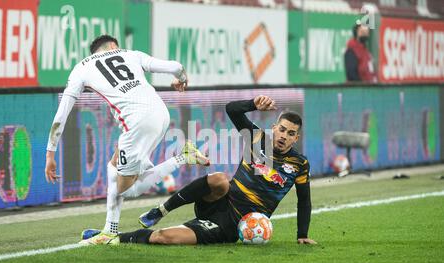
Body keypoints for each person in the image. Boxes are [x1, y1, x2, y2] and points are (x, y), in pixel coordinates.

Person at [83, 95, 316, 246]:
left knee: (165, 237)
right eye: (282, 129)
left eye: (291, 133)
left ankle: (112, 238)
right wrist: (253, 104)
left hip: (233, 225)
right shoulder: (257, 137)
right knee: (220, 180)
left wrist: (302, 235)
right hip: (218, 200)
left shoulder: (299, 164)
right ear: (274, 127)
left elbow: (304, 201)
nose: (284, 136)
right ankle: (161, 210)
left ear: (297, 138)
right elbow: (232, 109)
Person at [45, 35, 210, 239]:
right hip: (160, 113)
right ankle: (109, 230)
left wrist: (50, 152)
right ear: (114, 46)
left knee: (126, 190)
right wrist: (181, 80)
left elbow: (62, 112)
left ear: (96, 51)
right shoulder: (131, 54)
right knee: (113, 166)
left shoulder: (81, 68)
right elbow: (176, 66)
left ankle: (184, 157)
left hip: (137, 123)